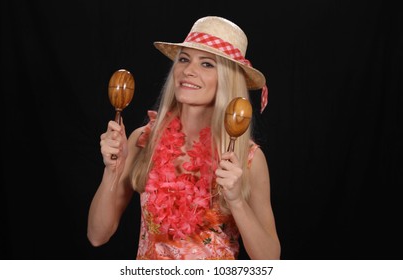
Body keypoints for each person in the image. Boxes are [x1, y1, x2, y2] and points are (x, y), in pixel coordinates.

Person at [87, 16, 280, 260]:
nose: (188, 70)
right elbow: (97, 235)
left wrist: (236, 201)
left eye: (207, 64)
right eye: (184, 59)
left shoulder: (248, 158)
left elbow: (271, 260)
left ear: (228, 79)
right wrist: (112, 170)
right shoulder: (143, 140)